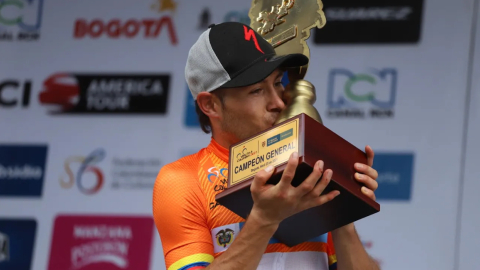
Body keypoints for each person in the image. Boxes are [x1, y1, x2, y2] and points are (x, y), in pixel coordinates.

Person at [152, 22, 380, 270]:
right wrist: (263, 220)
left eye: (278, 83)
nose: (278, 103)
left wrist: (341, 208)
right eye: (257, 91)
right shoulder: (183, 180)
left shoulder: (308, 167)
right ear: (211, 105)